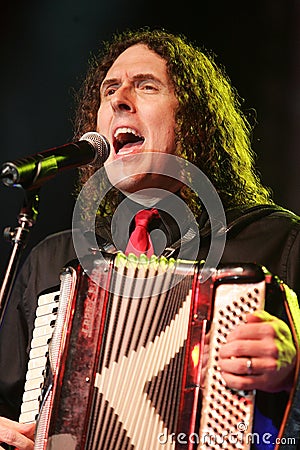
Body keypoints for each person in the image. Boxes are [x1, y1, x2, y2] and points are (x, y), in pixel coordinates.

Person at [0, 27, 299, 449]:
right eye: (109, 91)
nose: (119, 99)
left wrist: (293, 372)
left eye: (145, 85)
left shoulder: (276, 239)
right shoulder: (53, 260)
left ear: (194, 118)